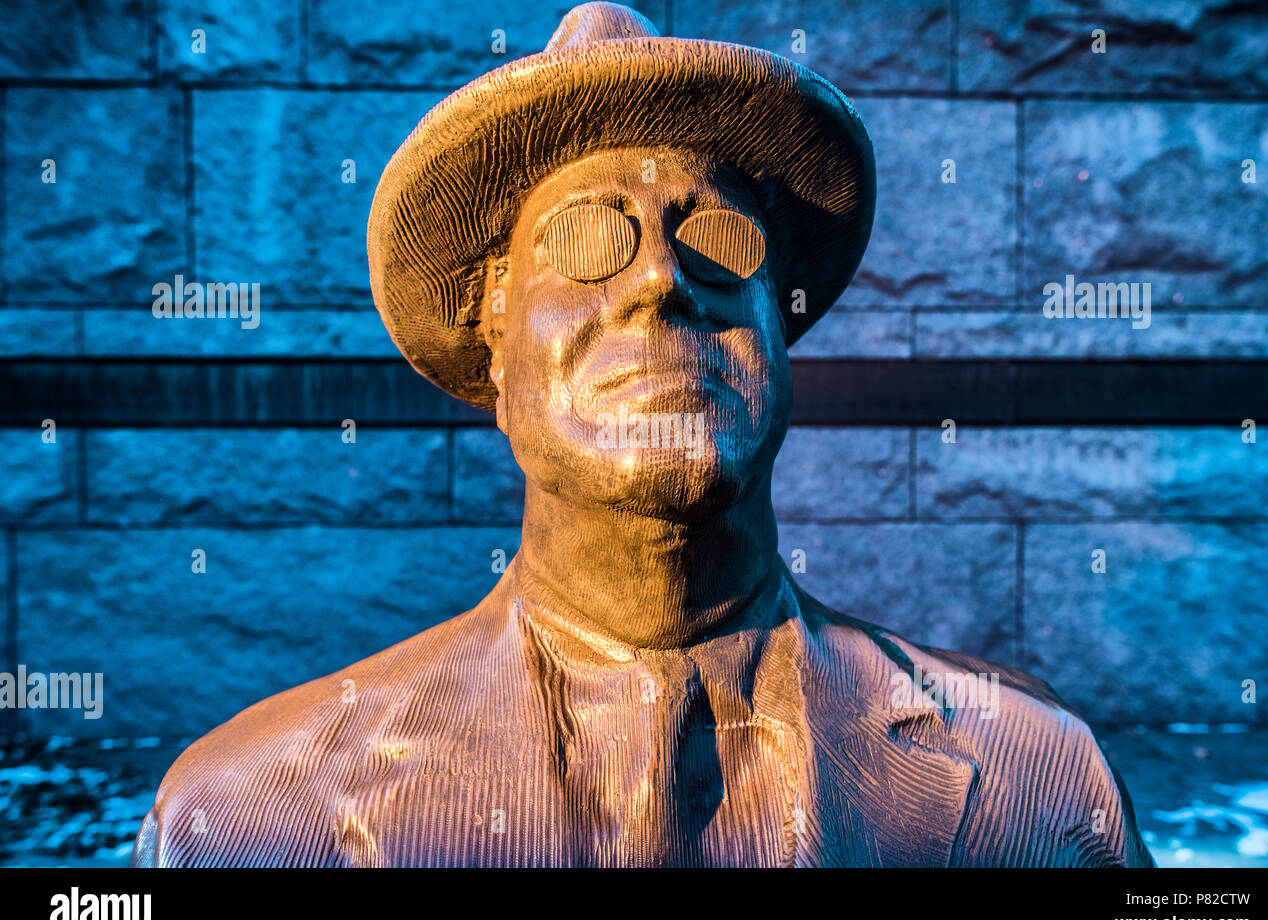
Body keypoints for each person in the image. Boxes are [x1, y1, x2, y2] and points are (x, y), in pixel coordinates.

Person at [132, 1, 1152, 867]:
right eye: (583, 240)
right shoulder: (252, 819)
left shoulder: (1038, 784)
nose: (663, 281)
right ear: (493, 337)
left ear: (773, 328)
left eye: (717, 239)